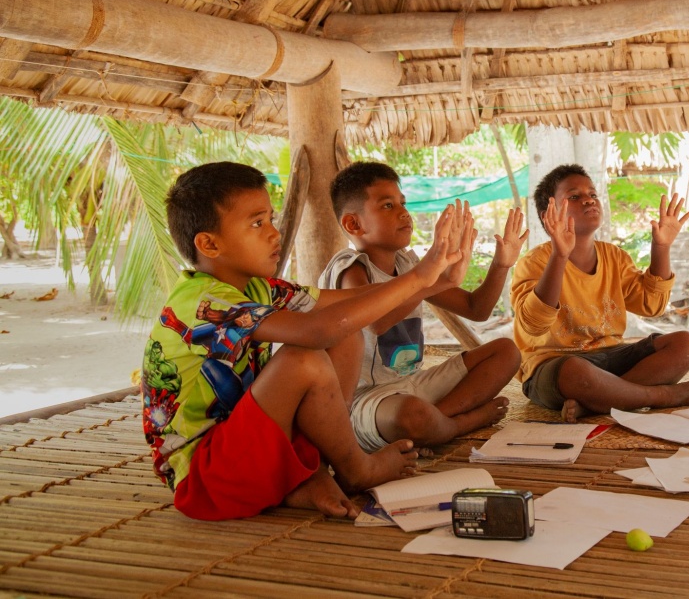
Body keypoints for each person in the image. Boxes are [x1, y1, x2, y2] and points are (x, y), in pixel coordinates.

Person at [142, 161, 470, 522]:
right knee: (303, 359)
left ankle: (310, 475)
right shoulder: (204, 303)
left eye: (270, 218)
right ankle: (356, 469)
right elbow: (318, 331)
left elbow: (346, 306)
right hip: (207, 478)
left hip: (250, 448)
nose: (273, 233)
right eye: (257, 223)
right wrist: (420, 275)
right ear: (209, 243)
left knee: (345, 339)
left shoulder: (257, 288)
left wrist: (436, 280)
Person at [319, 162, 523, 451]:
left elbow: (476, 309)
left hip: (414, 385)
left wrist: (501, 265)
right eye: (387, 205)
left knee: (506, 351)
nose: (404, 212)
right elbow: (377, 321)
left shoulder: (407, 265)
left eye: (402, 202)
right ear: (354, 224)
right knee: (412, 416)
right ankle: (460, 423)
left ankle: (439, 421)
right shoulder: (349, 268)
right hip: (367, 400)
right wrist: (430, 278)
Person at [511, 164, 689, 422]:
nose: (589, 199)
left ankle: (599, 402)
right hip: (554, 366)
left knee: (686, 344)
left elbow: (652, 305)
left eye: (592, 194)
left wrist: (661, 247)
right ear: (549, 214)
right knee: (575, 371)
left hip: (611, 357)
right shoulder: (534, 262)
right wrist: (560, 255)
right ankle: (665, 396)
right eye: (574, 196)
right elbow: (533, 325)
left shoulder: (614, 257)